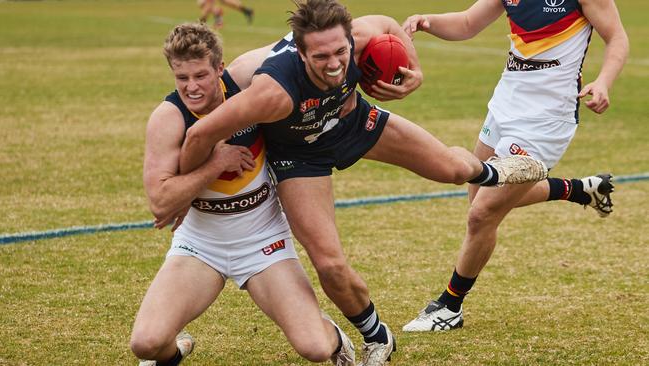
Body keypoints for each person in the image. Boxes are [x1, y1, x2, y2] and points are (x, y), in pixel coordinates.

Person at [178, 1, 548, 364]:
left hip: (353, 122)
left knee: (452, 170)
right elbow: (198, 135)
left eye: (341, 51)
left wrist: (414, 71)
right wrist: (188, 189)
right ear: (301, 52)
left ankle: (494, 172)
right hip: (300, 156)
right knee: (330, 265)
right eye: (320, 57)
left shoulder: (358, 37)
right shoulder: (269, 89)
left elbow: (389, 23)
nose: (336, 64)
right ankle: (377, 336)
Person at [130, 23, 356, 366]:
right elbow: (161, 202)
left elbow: (313, 44)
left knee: (314, 348)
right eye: (182, 78)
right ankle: (178, 350)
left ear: (220, 68)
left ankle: (336, 337)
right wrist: (214, 164)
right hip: (200, 245)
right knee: (146, 344)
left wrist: (348, 87)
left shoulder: (246, 78)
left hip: (264, 241)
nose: (192, 87)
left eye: (201, 75)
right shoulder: (169, 118)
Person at [400, 0, 628, 332]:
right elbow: (467, 23)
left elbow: (617, 36)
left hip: (546, 119)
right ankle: (580, 190)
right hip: (504, 105)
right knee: (478, 196)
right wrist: (427, 21)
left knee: (482, 214)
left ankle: (450, 306)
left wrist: (604, 81)